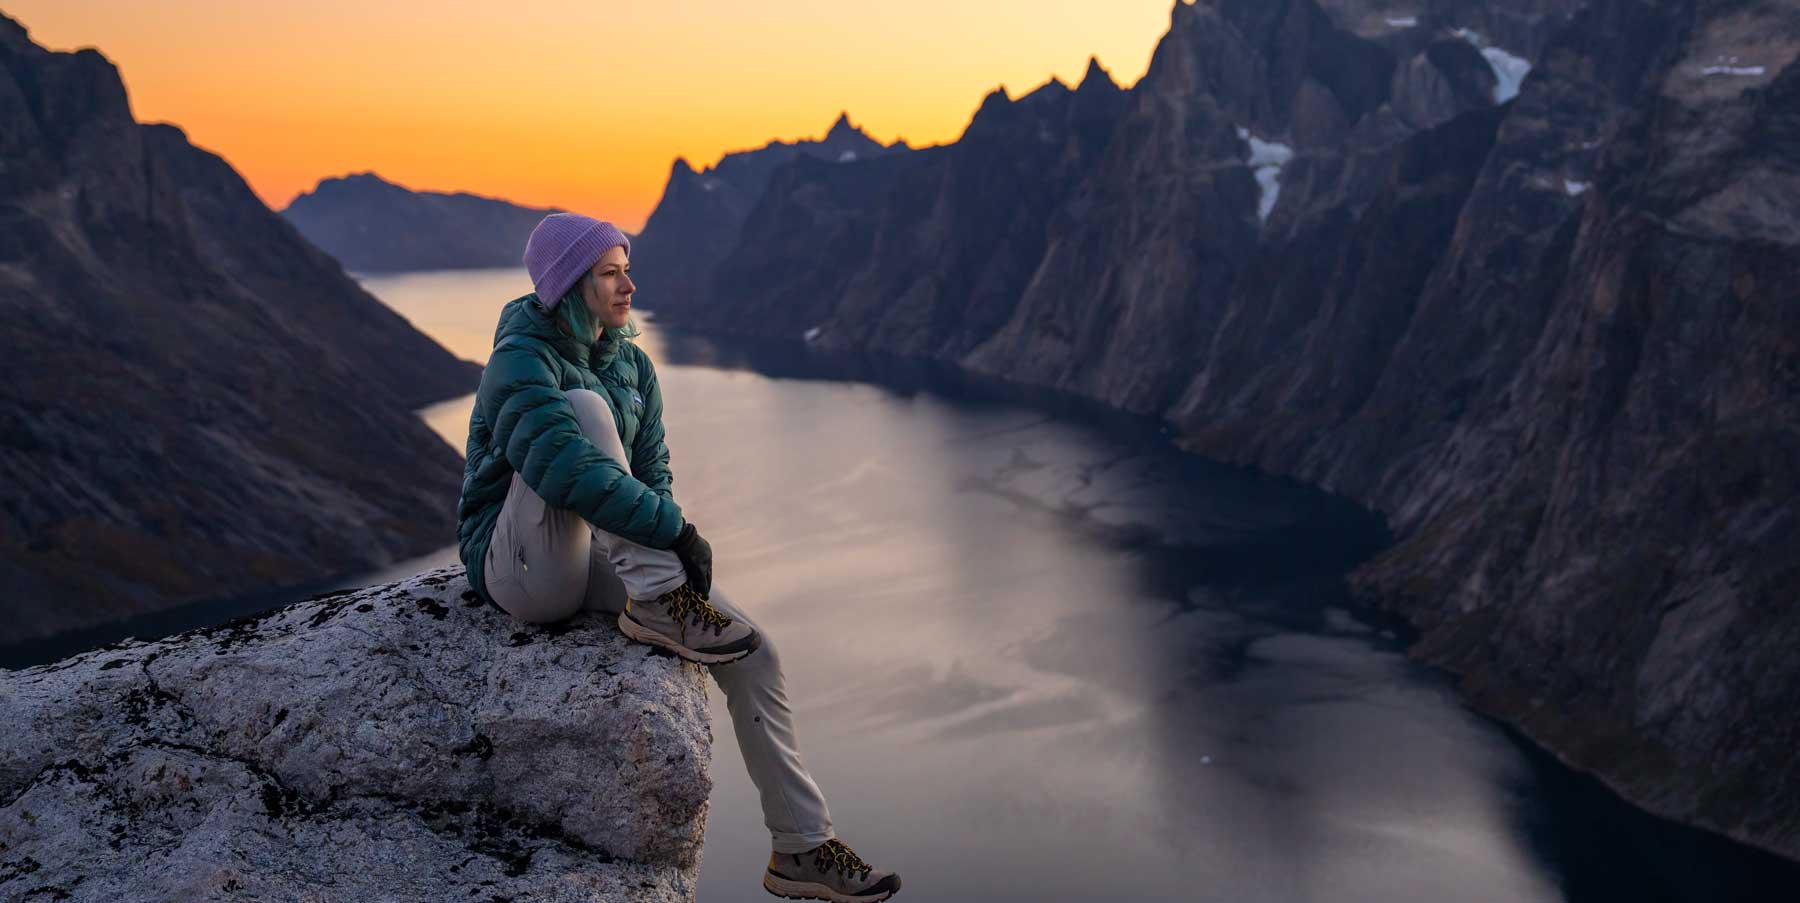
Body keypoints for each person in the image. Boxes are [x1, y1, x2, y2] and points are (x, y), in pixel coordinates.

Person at [455, 212, 902, 903]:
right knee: (583, 412)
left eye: (626, 267)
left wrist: (669, 541)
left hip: (586, 555)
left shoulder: (631, 363)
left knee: (756, 650)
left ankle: (802, 846)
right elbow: (565, 468)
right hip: (518, 569)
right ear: (570, 286)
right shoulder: (520, 356)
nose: (629, 283)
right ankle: (661, 601)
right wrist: (675, 533)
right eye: (610, 273)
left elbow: (652, 469)